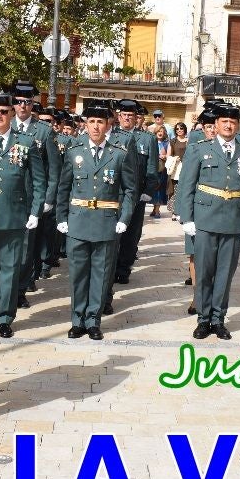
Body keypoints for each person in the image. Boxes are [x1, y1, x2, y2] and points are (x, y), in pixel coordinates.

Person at [177, 103, 240, 340]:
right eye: (224, 121)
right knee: (203, 272)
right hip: (204, 219)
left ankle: (218, 319)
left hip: (234, 220)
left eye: (233, 122)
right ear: (216, 124)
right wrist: (187, 218)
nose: (228, 125)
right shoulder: (198, 149)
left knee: (225, 273)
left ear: (237, 126)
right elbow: (187, 186)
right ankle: (203, 320)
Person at [55, 100, 136, 341]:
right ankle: (77, 320)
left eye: (100, 122)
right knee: (78, 274)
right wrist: (61, 216)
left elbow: (131, 189)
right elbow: (63, 187)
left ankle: (93, 320)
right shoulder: (74, 151)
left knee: (100, 275)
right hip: (78, 221)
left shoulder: (119, 154)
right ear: (85, 124)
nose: (96, 127)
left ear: (108, 123)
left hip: (106, 222)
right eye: (91, 122)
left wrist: (125, 217)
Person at [0, 91, 44, 338]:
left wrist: (36, 211)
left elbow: (38, 180)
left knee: (10, 269)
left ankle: (5, 317)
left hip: (16, 216)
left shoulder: (26, 142)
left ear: (12, 113)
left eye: (4, 111)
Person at [10, 81, 60, 304]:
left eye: (27, 103)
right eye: (19, 102)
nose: (23, 107)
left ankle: (20, 289)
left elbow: (54, 169)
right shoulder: (4, 125)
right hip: (7, 197)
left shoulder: (44, 131)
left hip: (31, 198)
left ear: (32, 105)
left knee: (27, 248)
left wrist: (49, 198)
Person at [110, 98, 158, 287]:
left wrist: (147, 192)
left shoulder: (147, 139)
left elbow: (152, 169)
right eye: (124, 115)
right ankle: (111, 267)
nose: (127, 119)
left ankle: (124, 268)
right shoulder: (111, 136)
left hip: (136, 195)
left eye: (131, 115)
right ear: (118, 116)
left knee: (131, 235)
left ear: (136, 117)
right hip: (113, 194)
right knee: (112, 233)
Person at [167, 122, 189, 214]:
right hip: (175, 169)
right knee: (174, 190)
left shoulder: (189, 141)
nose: (179, 130)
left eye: (181, 128)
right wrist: (174, 159)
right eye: (177, 129)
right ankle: (174, 212)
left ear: (184, 129)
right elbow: (168, 155)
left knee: (184, 190)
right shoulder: (173, 141)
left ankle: (182, 212)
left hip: (186, 168)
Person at [150, 125, 170, 218]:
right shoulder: (151, 142)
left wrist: (165, 156)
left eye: (162, 131)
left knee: (159, 189)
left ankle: (157, 210)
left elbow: (169, 155)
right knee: (154, 189)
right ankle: (155, 209)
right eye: (158, 131)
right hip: (152, 169)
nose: (160, 132)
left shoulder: (167, 143)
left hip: (162, 170)